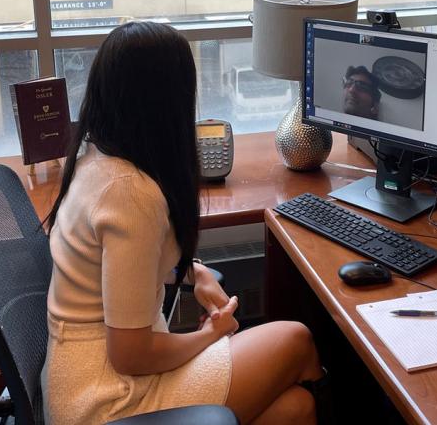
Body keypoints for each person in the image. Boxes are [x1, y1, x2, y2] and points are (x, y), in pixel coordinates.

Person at [42, 21, 326, 425]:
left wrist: (193, 271)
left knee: (297, 409)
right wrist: (210, 334)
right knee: (296, 340)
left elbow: (117, 265)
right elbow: (131, 354)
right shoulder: (130, 193)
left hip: (82, 376)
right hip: (109, 399)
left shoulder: (97, 157)